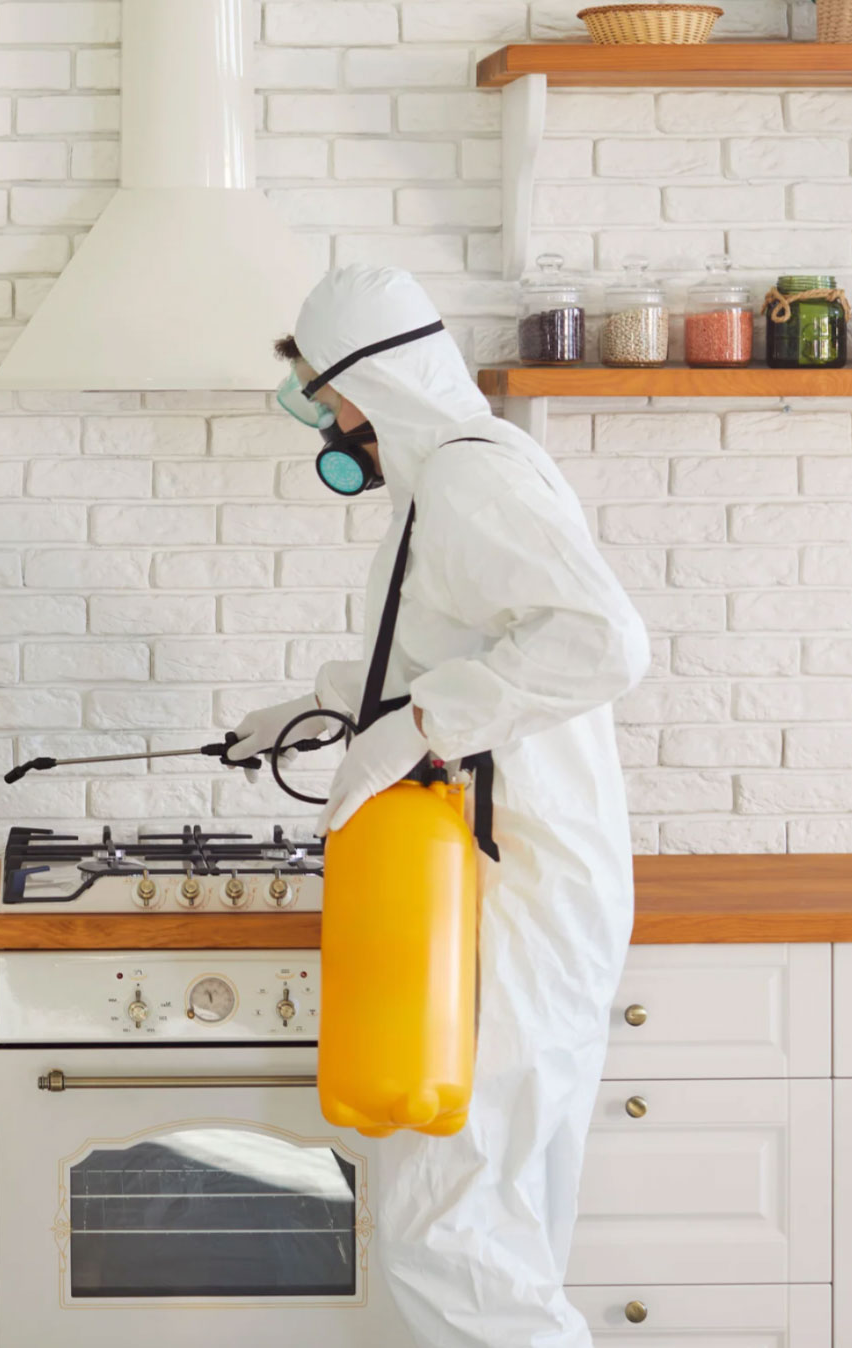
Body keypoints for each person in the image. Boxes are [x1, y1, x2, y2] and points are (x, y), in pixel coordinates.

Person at [226, 264, 650, 1347]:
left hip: (508, 896)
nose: (324, 420)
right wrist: (326, 702)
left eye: (322, 394)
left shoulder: (471, 482)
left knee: (448, 1227)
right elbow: (458, 643)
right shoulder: (449, 482)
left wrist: (415, 728)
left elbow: (601, 641)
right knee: (494, 1220)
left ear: (373, 384)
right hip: (491, 886)